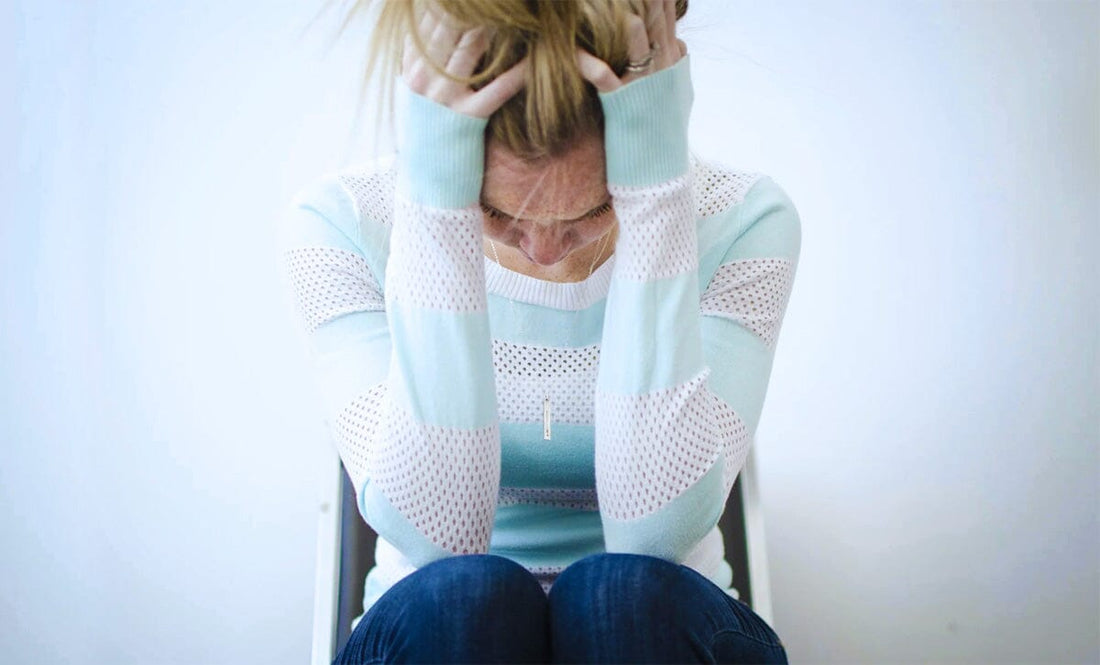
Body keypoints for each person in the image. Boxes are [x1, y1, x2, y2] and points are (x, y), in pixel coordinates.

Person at [279, 0, 800, 661]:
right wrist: (436, 200)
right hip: (440, 633)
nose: (547, 251)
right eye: (498, 211)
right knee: (464, 598)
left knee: (620, 596)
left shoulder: (745, 219)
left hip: (660, 631)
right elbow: (436, 542)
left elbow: (656, 542)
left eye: (592, 210)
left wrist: (657, 198)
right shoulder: (342, 224)